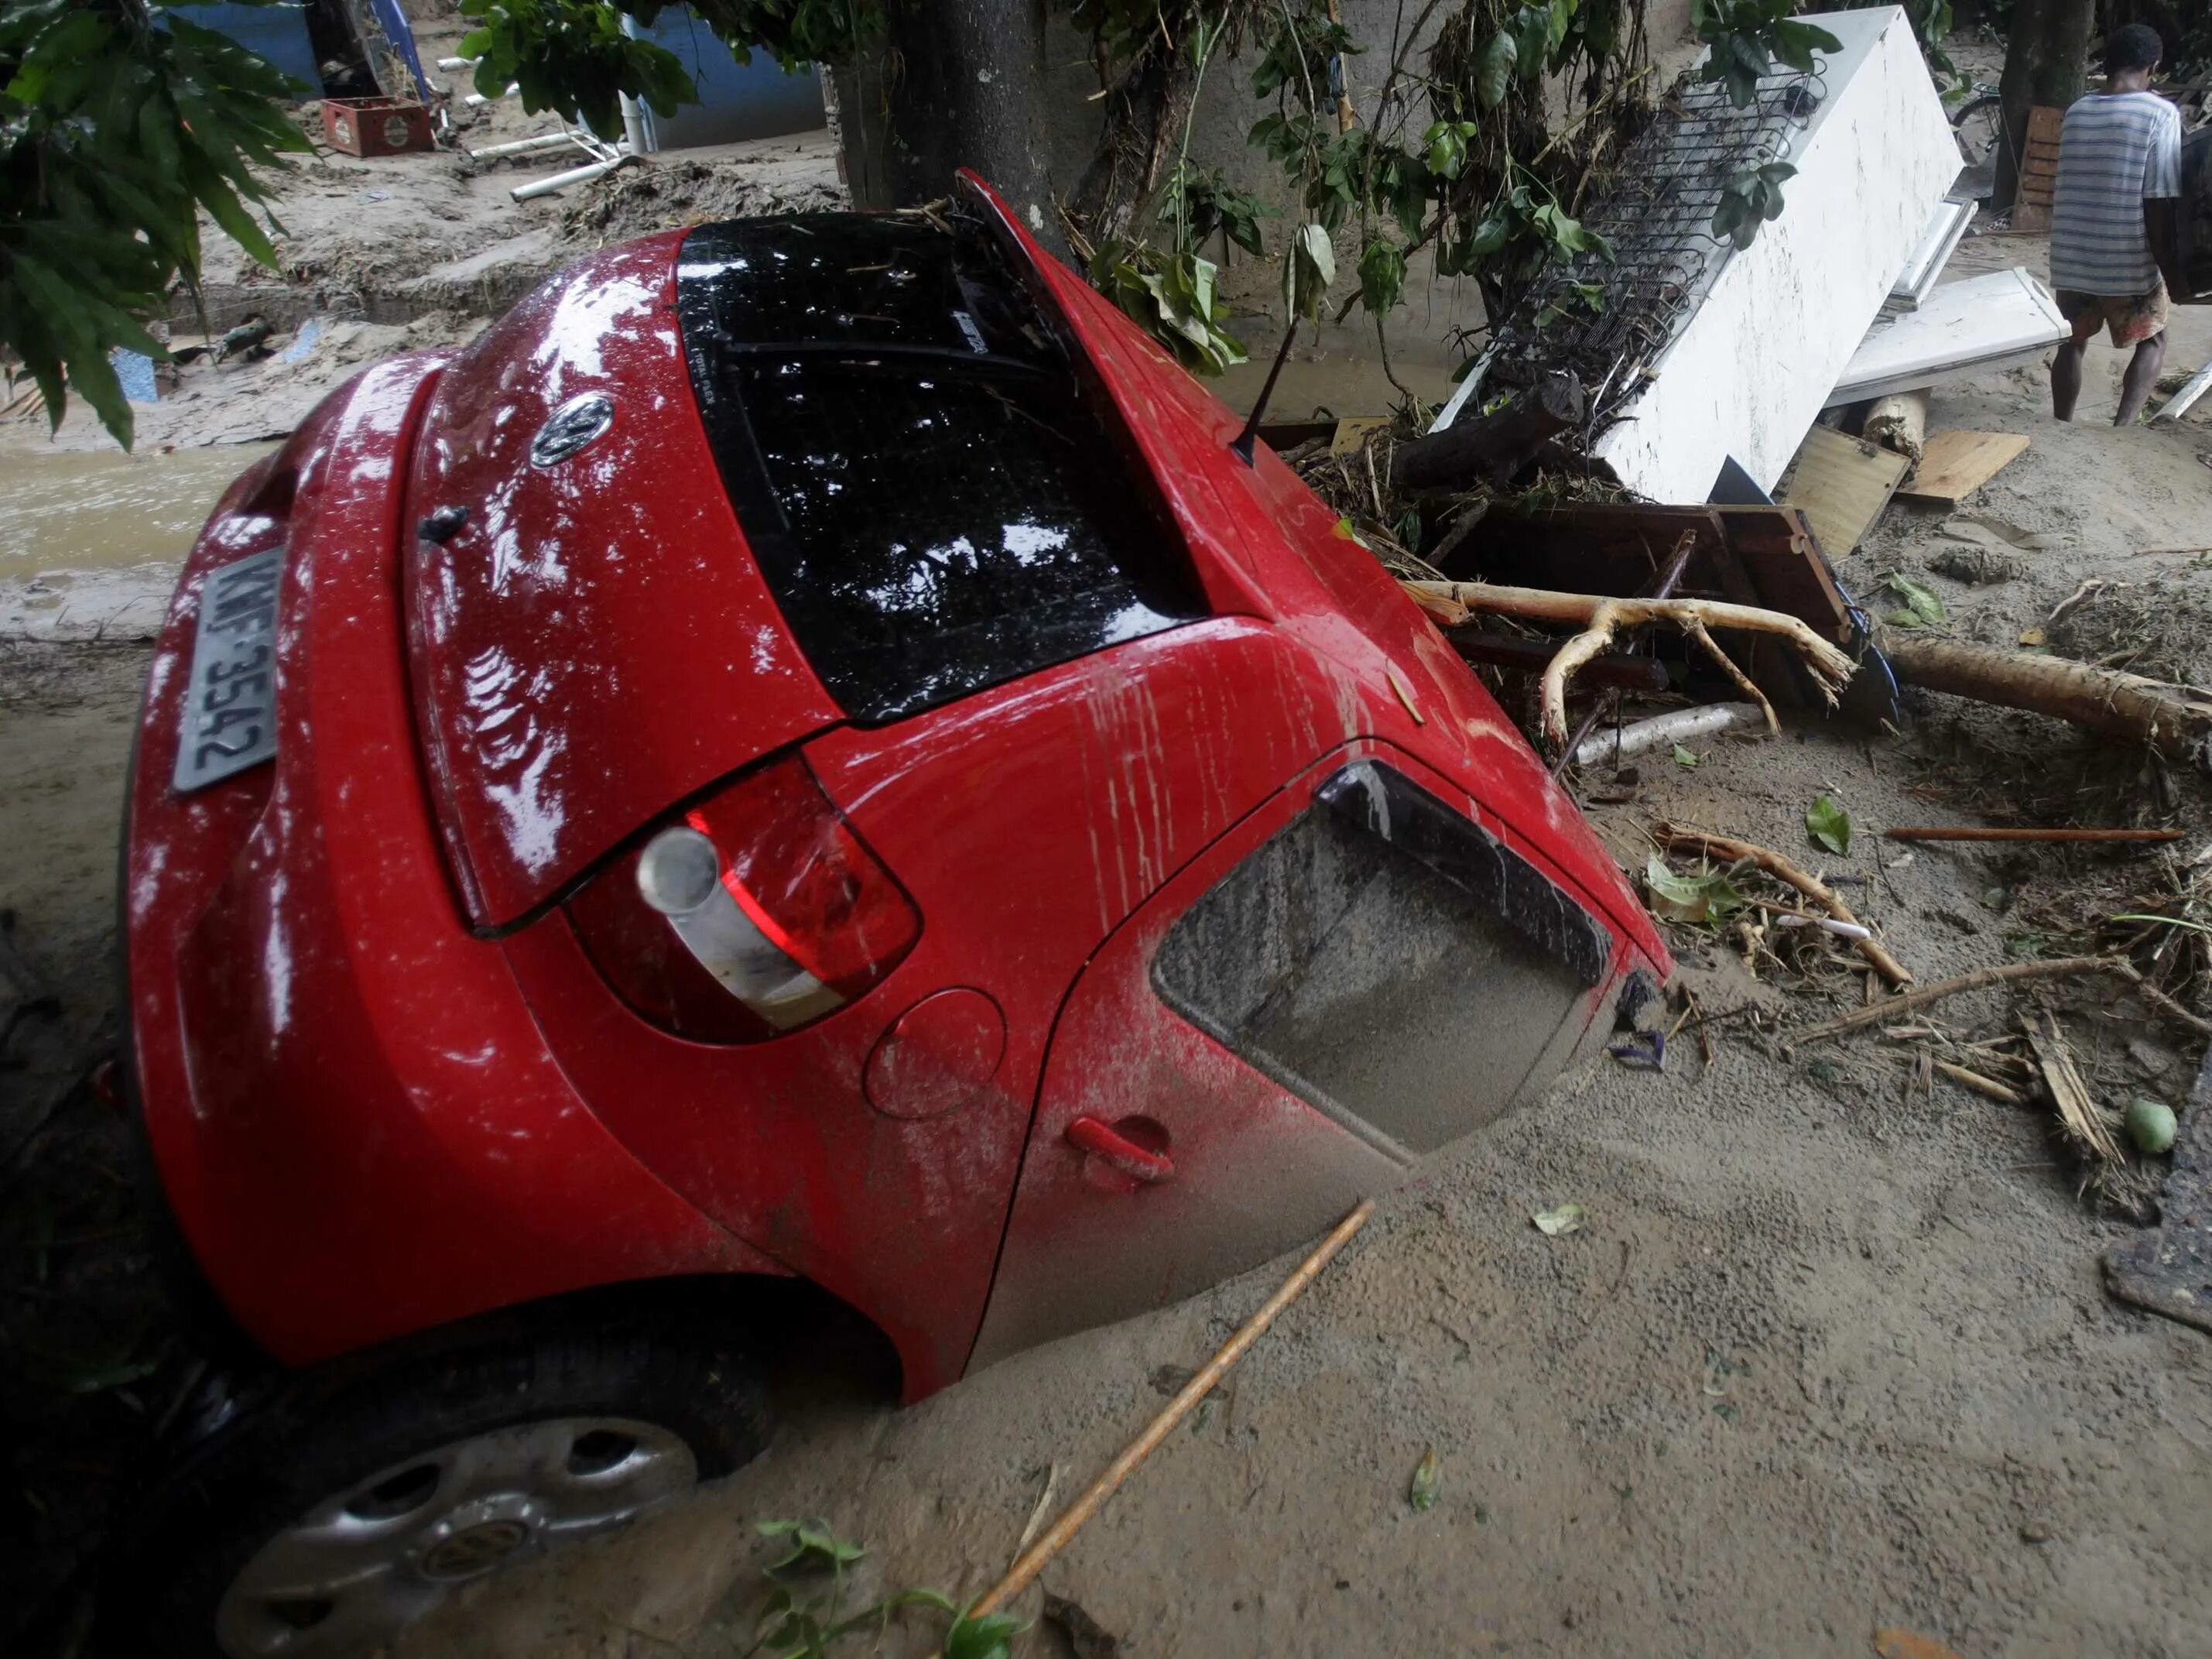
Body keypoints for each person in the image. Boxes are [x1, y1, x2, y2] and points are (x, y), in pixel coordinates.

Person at [2047, 22, 2186, 426]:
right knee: (2154, 340)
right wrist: (2169, 267)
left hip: (2072, 258)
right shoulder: (2160, 113)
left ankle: (2061, 423)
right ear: (2153, 68)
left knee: (2072, 344)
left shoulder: (2077, 111)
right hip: (2127, 260)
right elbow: (2161, 197)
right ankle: (2122, 430)